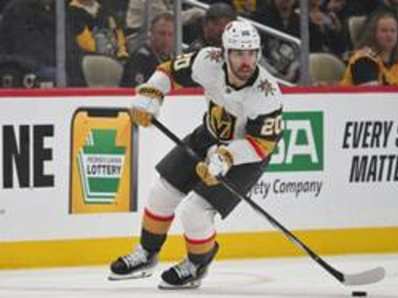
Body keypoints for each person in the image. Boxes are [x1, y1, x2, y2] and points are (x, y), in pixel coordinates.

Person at [109, 20, 283, 289]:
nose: (246, 61)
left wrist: (226, 158)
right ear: (225, 53)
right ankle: (146, 253)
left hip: (246, 155)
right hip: (208, 135)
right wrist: (152, 93)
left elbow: (262, 144)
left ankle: (197, 264)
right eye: (238, 53)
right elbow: (168, 71)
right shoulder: (207, 61)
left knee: (195, 211)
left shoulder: (267, 94)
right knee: (162, 192)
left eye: (251, 53)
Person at [66, 0, 128, 86]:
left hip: (113, 62)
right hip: (86, 65)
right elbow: (85, 44)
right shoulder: (72, 12)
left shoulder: (105, 11)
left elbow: (119, 37)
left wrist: (122, 55)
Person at [341, 11, 398, 86]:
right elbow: (371, 95)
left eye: (393, 31)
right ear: (373, 34)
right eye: (384, 31)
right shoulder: (363, 60)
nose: (389, 35)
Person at [120, 13, 174, 87]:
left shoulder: (172, 59)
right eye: (162, 33)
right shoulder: (139, 59)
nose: (166, 39)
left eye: (170, 34)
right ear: (151, 34)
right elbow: (137, 90)